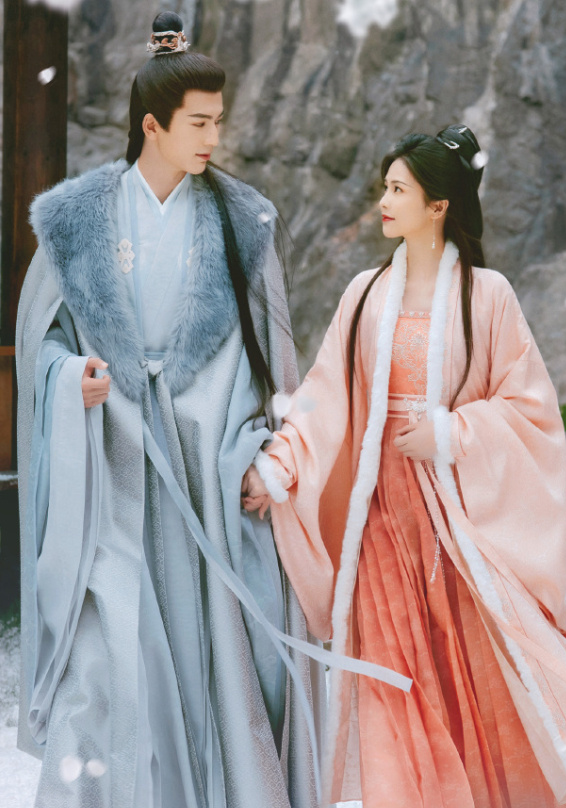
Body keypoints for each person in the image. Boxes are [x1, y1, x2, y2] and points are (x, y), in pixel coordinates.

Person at [16, 12, 325, 808]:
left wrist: (268, 451)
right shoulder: (77, 220)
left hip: (203, 462)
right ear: (152, 125)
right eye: (199, 122)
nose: (214, 137)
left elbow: (273, 358)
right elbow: (43, 342)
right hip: (110, 465)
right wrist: (71, 377)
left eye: (219, 120)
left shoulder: (242, 221)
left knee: (212, 655)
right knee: (104, 659)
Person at [243, 124, 566, 808]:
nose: (384, 202)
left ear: (439, 205)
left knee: (475, 670)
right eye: (386, 188)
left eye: (399, 190)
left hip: (458, 519)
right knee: (393, 675)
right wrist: (280, 464)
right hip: (380, 519)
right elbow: (324, 394)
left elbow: (529, 408)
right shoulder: (364, 294)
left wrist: (453, 431)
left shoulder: (488, 296)